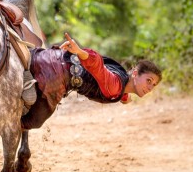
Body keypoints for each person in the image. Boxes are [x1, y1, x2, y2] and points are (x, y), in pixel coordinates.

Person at [21, 32, 162, 130]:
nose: (150, 87)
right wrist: (81, 52)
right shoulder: (115, 86)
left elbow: (117, 84)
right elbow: (98, 67)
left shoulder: (121, 83)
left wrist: (125, 96)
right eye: (148, 80)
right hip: (53, 74)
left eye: (154, 85)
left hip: (51, 59)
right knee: (33, 122)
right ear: (136, 74)